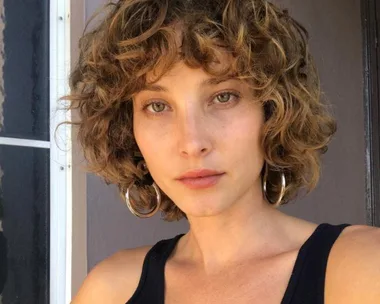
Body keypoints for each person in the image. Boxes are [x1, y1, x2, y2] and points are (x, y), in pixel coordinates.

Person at [67, 0, 380, 303]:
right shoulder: (111, 290)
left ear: (272, 110)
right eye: (157, 106)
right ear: (126, 128)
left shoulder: (364, 268)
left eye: (223, 97)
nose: (192, 143)